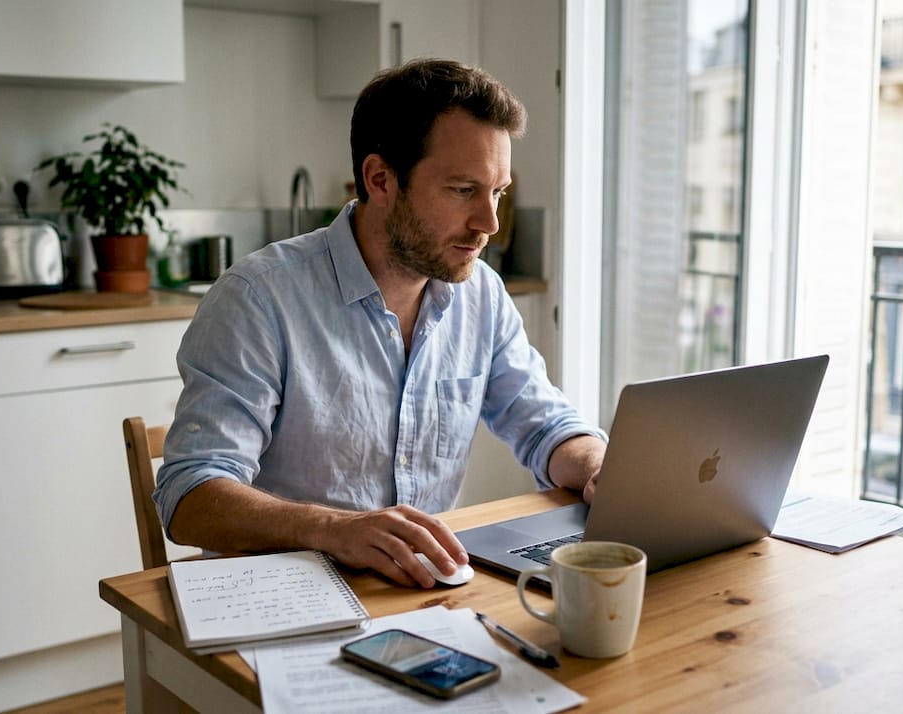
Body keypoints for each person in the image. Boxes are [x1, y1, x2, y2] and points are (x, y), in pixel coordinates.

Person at [153, 58, 607, 589]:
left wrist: (599, 466)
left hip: (422, 593)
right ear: (380, 179)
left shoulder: (480, 293)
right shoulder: (259, 298)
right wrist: (334, 529)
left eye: (497, 192)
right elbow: (190, 497)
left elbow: (545, 425)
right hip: (284, 598)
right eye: (463, 190)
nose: (489, 223)